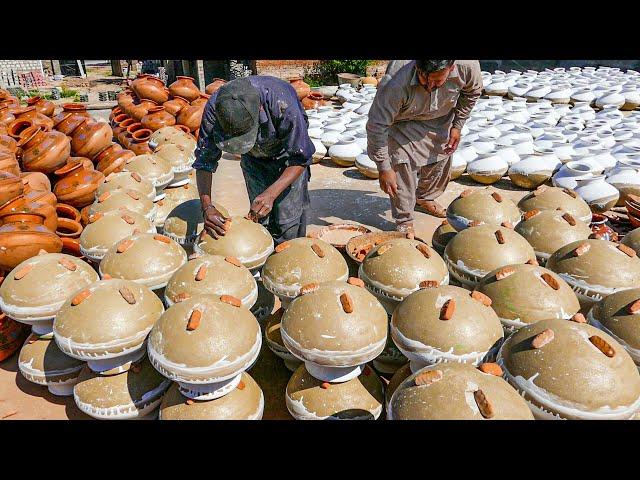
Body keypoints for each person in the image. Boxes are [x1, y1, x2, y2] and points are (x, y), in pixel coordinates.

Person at [193, 76, 315, 245]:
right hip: (254, 161)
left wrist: (271, 194)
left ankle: (288, 258)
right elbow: (204, 162)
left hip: (288, 160)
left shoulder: (282, 104)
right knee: (259, 219)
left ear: (259, 109)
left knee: (287, 223)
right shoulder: (216, 108)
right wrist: (207, 207)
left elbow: (302, 157)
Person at [366, 60, 483, 234]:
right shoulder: (396, 81)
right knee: (401, 164)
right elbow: (377, 125)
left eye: (437, 81)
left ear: (450, 68)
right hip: (402, 122)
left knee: (441, 157)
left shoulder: (467, 67)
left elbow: (472, 92)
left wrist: (457, 126)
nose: (429, 85)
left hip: (440, 119)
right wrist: (384, 167)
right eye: (424, 78)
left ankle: (424, 198)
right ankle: (404, 219)